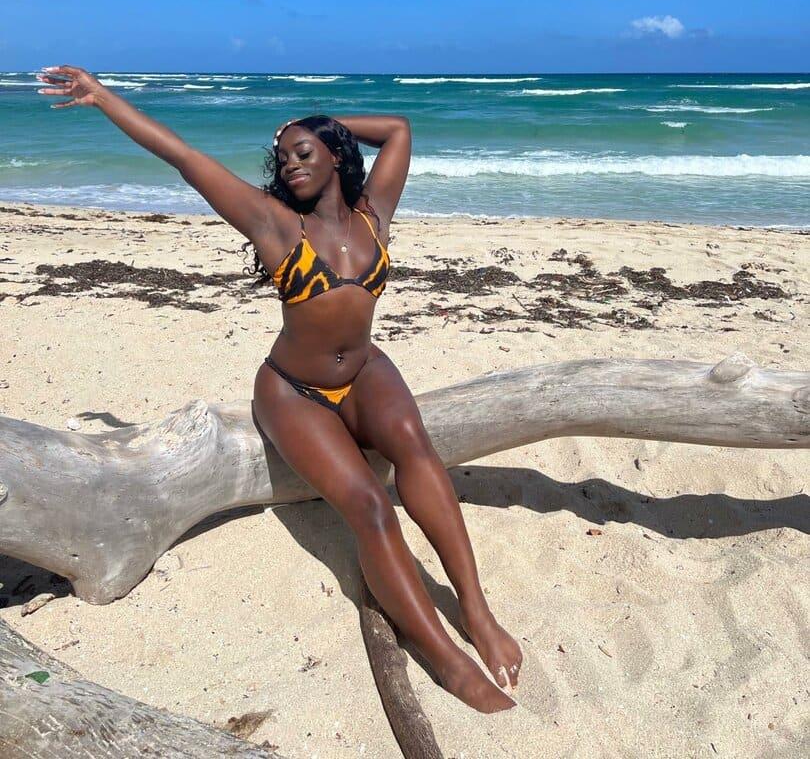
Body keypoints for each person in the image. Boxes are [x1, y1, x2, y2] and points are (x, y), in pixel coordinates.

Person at [36, 65, 522, 714]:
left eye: (304, 152)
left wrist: (323, 123)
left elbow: (399, 129)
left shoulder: (373, 213)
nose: (290, 163)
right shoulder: (274, 224)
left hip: (365, 371)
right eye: (283, 156)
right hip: (294, 391)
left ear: (335, 156)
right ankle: (446, 657)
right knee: (370, 506)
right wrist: (101, 97)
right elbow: (182, 156)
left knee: (415, 448)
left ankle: (478, 613)